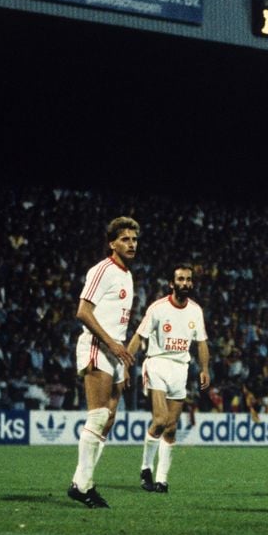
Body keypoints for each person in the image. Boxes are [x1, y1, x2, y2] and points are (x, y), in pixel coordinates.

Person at [67, 216, 139, 509]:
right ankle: (81, 485)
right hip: (98, 347)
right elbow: (83, 311)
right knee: (97, 416)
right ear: (112, 243)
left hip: (115, 354)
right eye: (125, 239)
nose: (131, 244)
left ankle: (83, 482)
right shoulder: (102, 270)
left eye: (134, 239)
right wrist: (110, 343)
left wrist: (122, 359)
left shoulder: (127, 275)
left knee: (109, 419)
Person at [127, 264, 211, 494]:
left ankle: (162, 480)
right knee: (161, 419)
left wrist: (204, 368)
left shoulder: (195, 311)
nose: (185, 283)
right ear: (172, 284)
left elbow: (201, 342)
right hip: (157, 363)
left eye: (188, 280)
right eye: (180, 280)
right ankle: (146, 468)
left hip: (180, 368)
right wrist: (125, 364)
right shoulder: (158, 308)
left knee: (171, 428)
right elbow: (138, 336)